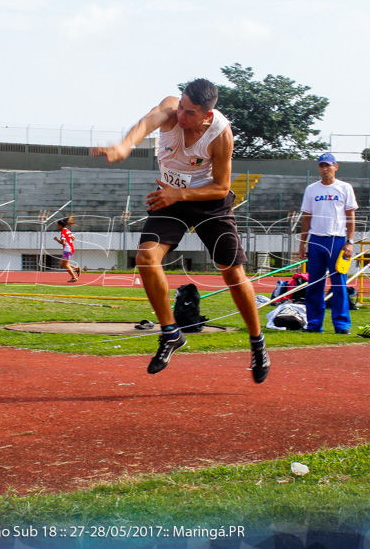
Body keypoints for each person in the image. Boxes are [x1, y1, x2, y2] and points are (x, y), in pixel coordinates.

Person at [91, 79, 270, 383]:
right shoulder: (171, 109)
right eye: (181, 107)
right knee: (146, 258)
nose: (181, 115)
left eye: (189, 113)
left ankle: (258, 343)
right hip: (169, 199)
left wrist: (181, 194)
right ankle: (170, 332)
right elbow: (147, 122)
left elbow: (222, 187)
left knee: (233, 273)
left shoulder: (220, 134)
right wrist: (124, 146)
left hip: (209, 202)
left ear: (207, 116)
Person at [298, 153, 363, 335]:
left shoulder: (344, 188)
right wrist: (303, 243)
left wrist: (350, 241)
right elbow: (306, 216)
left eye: (328, 165)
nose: (324, 169)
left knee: (338, 285)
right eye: (321, 166)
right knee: (314, 284)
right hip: (316, 240)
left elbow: (350, 216)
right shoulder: (311, 189)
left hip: (337, 240)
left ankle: (341, 325)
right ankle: (314, 324)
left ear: (336, 167)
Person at [54, 217, 82, 283]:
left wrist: (57, 239)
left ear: (61, 225)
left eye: (58, 226)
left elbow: (63, 242)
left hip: (67, 249)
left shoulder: (63, 232)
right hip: (70, 248)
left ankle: (74, 277)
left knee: (65, 265)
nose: (58, 227)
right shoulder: (67, 230)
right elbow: (74, 238)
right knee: (62, 264)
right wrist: (69, 241)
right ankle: (76, 269)